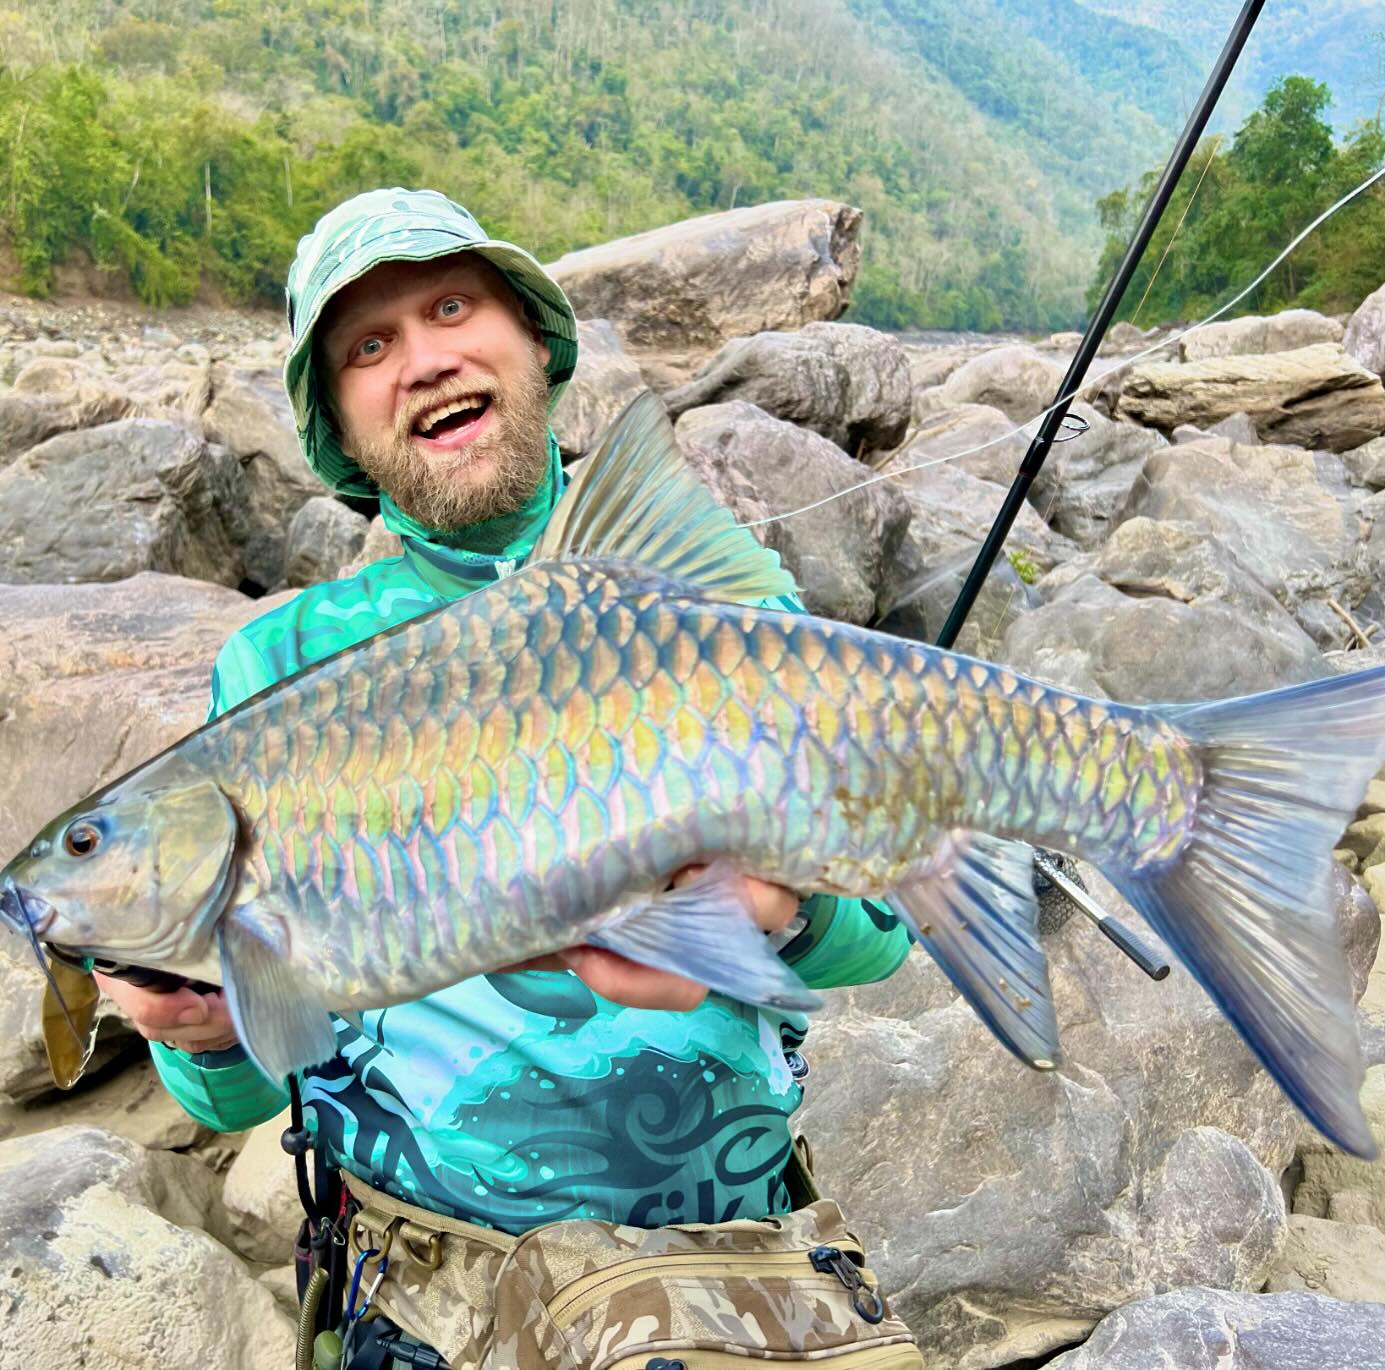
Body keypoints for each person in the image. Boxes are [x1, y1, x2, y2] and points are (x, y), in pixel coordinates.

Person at [97, 188, 913, 1363]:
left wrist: (785, 907)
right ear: (339, 423)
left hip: (735, 1266)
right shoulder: (279, 668)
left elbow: (880, 940)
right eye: (368, 346)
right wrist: (204, 1024)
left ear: (536, 340)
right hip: (428, 1290)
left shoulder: (710, 605)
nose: (422, 360)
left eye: (449, 306)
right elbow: (232, 1099)